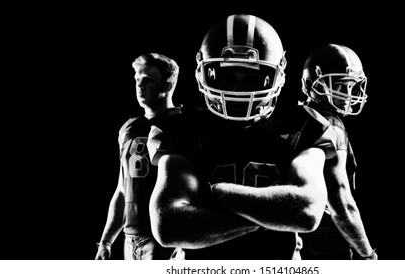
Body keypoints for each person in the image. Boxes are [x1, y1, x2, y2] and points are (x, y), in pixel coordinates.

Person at [146, 14, 335, 259]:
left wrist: (220, 193)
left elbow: (306, 211)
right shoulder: (181, 127)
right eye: (226, 76)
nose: (237, 89)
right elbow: (169, 226)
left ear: (278, 77)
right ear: (203, 72)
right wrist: (272, 214)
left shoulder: (301, 125)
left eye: (254, 77)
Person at [95, 53, 182, 260]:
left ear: (168, 85)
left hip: (163, 241)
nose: (140, 86)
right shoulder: (129, 128)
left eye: (148, 80)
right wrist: (106, 241)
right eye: (137, 80)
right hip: (130, 239)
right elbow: (122, 190)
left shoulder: (184, 125)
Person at [297, 43, 377, 260]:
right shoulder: (330, 126)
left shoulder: (295, 120)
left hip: (297, 244)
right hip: (328, 247)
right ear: (311, 84)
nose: (348, 95)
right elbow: (341, 203)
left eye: (351, 87)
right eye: (340, 86)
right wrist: (367, 252)